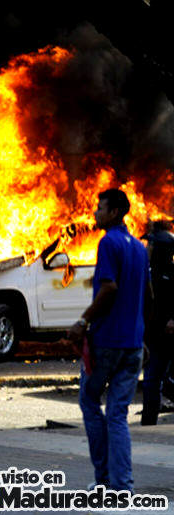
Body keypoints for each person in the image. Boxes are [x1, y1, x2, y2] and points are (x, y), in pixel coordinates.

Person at [67, 188, 152, 492]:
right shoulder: (140, 249)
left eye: (100, 208)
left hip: (106, 342)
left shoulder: (108, 243)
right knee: (118, 414)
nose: (95, 212)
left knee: (90, 401)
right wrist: (143, 337)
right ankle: (122, 486)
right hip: (132, 344)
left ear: (114, 212)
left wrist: (83, 321)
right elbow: (148, 296)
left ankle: (103, 479)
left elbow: (110, 288)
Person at [140, 220, 174, 425]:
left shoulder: (170, 273)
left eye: (151, 245)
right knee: (151, 380)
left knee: (164, 381)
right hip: (154, 337)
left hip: (169, 337)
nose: (148, 248)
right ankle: (148, 421)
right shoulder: (148, 272)